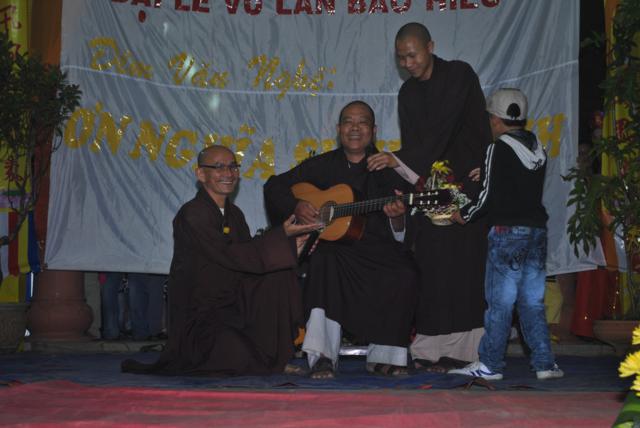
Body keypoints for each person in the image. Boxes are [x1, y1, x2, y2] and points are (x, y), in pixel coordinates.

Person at [122, 145, 319, 376]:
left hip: (235, 306)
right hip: (202, 315)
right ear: (201, 174)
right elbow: (230, 255)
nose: (228, 173)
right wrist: (280, 238)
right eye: (218, 167)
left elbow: (249, 258)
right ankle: (265, 360)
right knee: (234, 355)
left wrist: (292, 248)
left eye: (233, 166)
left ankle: (276, 356)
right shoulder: (193, 214)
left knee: (278, 273)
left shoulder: (235, 215)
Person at [367, 22, 492, 370]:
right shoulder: (407, 93)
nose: (407, 63)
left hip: (467, 182)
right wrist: (406, 176)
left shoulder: (459, 75)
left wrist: (399, 159)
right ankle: (430, 349)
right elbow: (417, 144)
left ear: (431, 47)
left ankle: (467, 351)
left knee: (464, 268)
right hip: (431, 187)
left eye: (412, 55)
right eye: (400, 58)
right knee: (431, 266)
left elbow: (442, 130)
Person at [264, 101, 419, 378]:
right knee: (324, 261)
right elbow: (274, 186)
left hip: (377, 249)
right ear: (338, 129)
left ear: (374, 130)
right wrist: (296, 205)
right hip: (335, 250)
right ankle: (322, 356)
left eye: (362, 122)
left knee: (404, 272)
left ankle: (385, 357)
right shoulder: (322, 165)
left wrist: (397, 218)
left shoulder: (387, 169)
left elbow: (402, 229)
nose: (355, 128)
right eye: (348, 122)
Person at [449, 88, 564, 380]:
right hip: (536, 232)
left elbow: (487, 198)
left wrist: (463, 214)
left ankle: (490, 364)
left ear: (496, 119)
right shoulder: (537, 146)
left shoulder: (496, 148)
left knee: (500, 302)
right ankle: (544, 364)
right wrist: (488, 172)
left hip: (506, 233)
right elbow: (517, 182)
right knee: (532, 302)